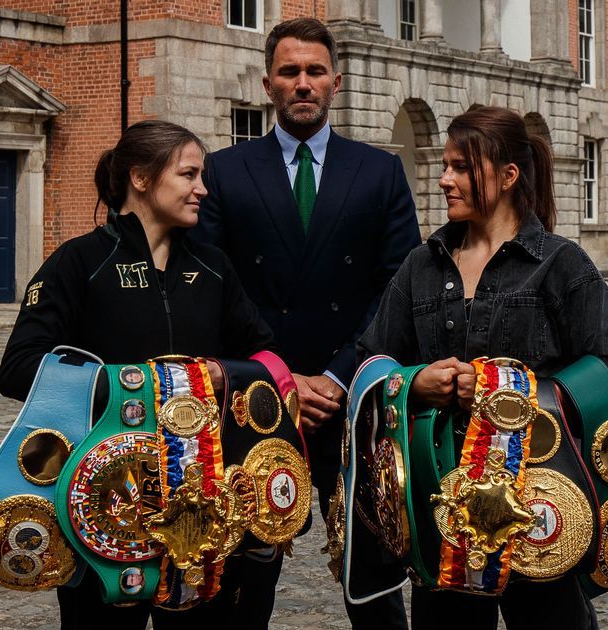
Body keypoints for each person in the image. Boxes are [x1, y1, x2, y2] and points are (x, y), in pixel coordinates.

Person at [357, 105, 608, 630]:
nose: (444, 179)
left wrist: (498, 393)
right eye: (445, 165)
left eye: (461, 167)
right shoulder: (422, 265)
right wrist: (414, 384)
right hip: (443, 518)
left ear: (508, 176)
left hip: (541, 515)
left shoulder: (562, 265)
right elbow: (372, 361)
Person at [0, 120, 275, 629]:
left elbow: (263, 359)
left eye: (202, 175)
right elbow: (18, 369)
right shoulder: (79, 262)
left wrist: (220, 374)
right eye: (189, 174)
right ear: (141, 179)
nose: (203, 189)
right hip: (103, 507)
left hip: (198, 507)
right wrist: (138, 385)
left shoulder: (213, 267)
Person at [192, 17, 420, 629]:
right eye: (289, 72)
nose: (302, 83)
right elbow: (212, 290)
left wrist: (338, 376)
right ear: (267, 83)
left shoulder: (380, 173)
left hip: (350, 405)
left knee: (372, 584)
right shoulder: (224, 171)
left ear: (335, 82)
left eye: (314, 71)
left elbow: (398, 291)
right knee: (244, 579)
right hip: (257, 403)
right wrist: (283, 378)